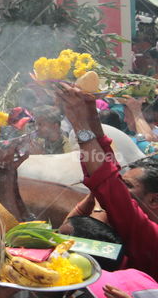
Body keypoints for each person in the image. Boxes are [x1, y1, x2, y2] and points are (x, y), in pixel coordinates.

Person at [56, 82, 158, 277]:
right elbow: (110, 172)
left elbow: (108, 182)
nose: (120, 187)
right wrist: (92, 116)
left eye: (127, 186)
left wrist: (79, 124)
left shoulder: (151, 235)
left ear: (154, 200)